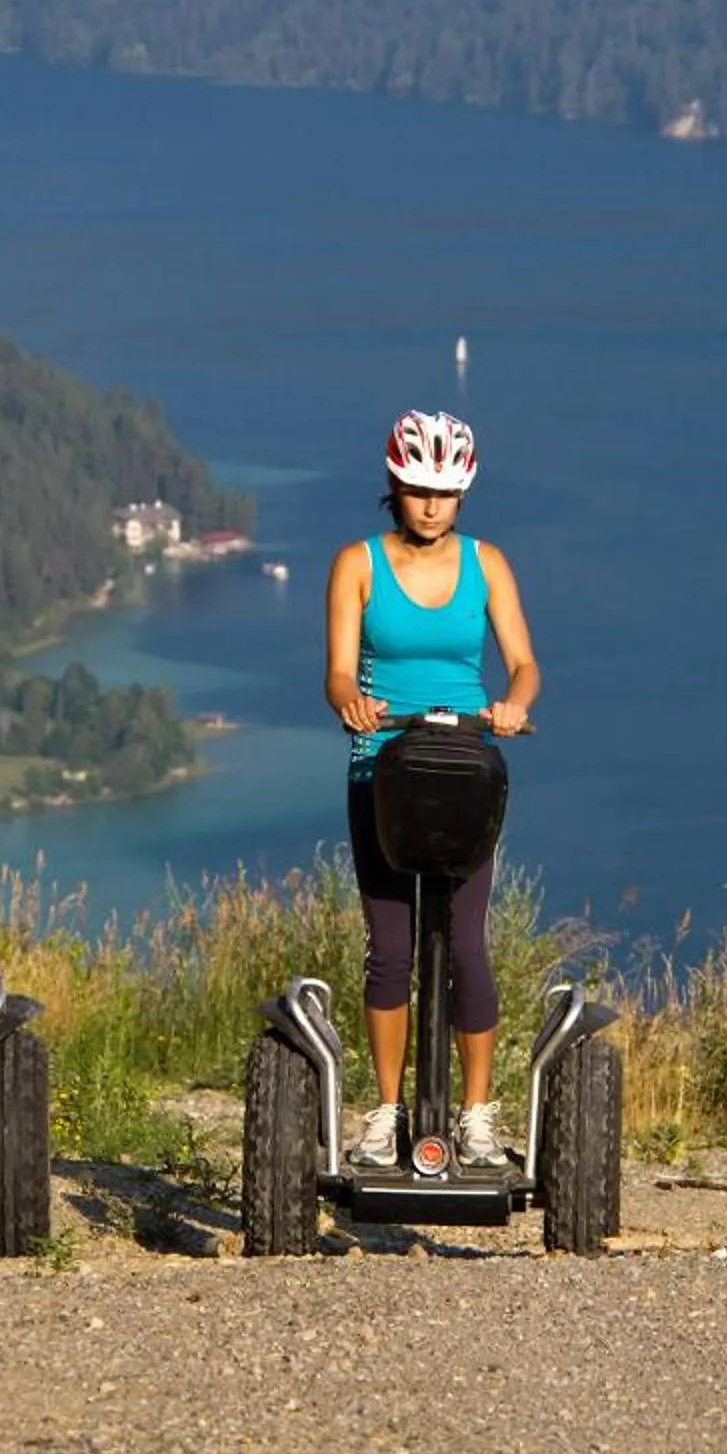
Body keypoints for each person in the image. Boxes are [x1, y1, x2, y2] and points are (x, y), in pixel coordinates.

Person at [322, 409, 540, 1169]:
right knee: (390, 950)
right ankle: (385, 1113)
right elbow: (339, 671)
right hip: (383, 766)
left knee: (467, 948)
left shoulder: (489, 565)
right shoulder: (356, 564)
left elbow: (524, 663)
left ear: (463, 496)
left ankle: (477, 1116)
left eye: (443, 494)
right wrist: (349, 699)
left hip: (463, 766)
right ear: (394, 485)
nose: (428, 505)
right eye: (416, 490)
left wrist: (514, 704)